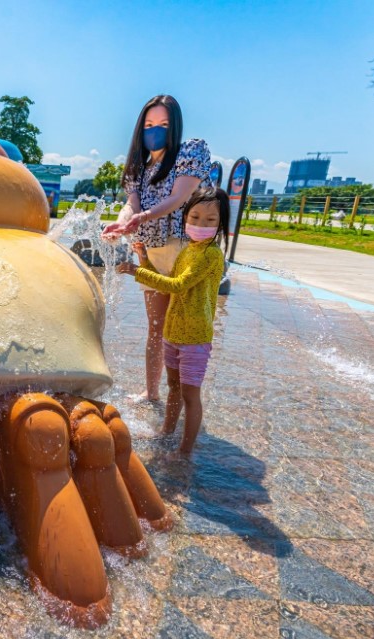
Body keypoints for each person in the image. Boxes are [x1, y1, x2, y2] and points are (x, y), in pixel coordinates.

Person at [102, 95, 212, 402]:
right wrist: (121, 223)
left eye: (163, 124)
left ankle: (183, 397)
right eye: (149, 124)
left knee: (182, 331)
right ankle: (151, 393)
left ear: (174, 126)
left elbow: (179, 197)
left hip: (181, 252)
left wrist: (140, 218)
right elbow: (131, 204)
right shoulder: (139, 167)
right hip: (150, 253)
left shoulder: (189, 152)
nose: (155, 131)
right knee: (155, 327)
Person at [117, 187, 228, 455]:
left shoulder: (211, 255)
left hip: (195, 338)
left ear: (221, 224)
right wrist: (143, 260)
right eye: (195, 217)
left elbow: (178, 285)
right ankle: (167, 431)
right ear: (185, 218)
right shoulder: (188, 250)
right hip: (174, 332)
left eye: (210, 220)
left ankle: (185, 450)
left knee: (190, 395)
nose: (200, 224)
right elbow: (167, 287)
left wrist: (135, 272)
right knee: (174, 387)